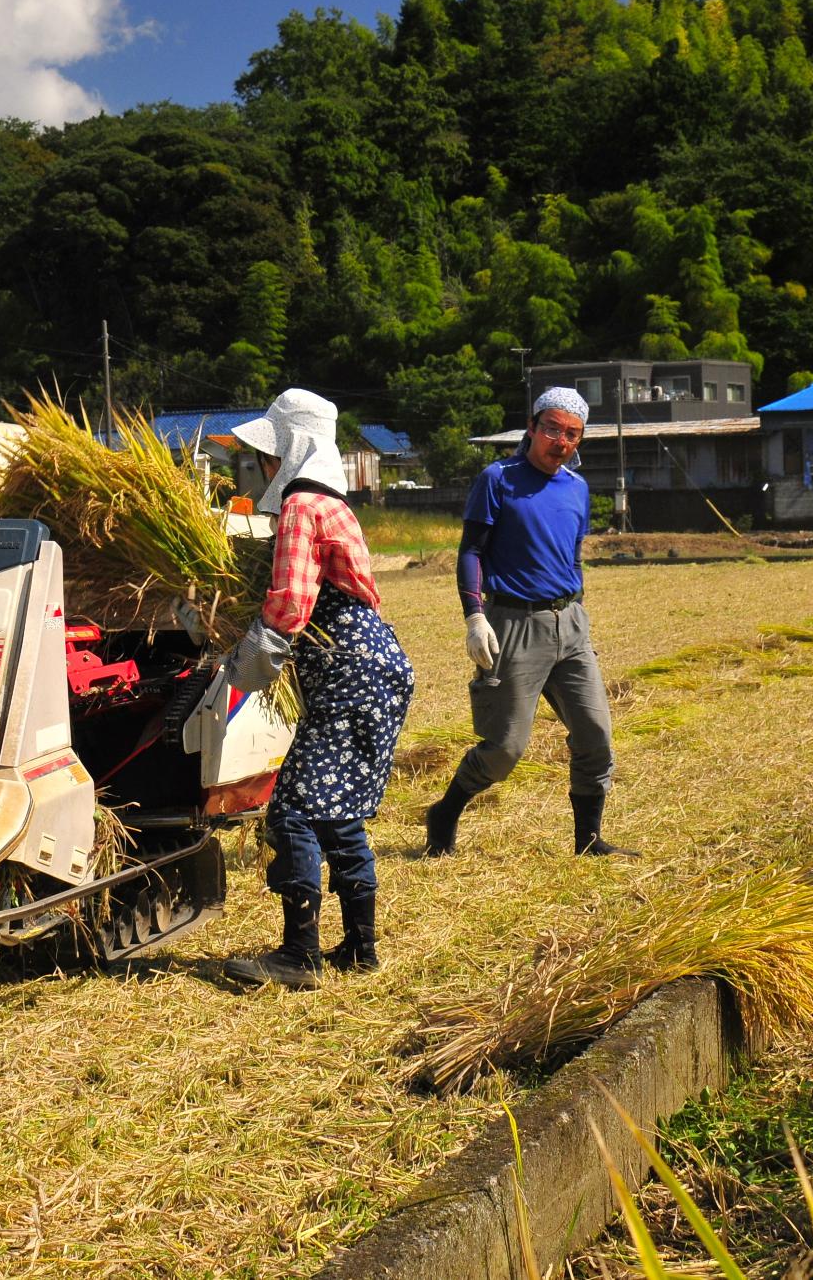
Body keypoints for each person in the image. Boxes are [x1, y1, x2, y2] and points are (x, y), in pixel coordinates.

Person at [221, 388, 415, 989]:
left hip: (348, 669)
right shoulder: (335, 505)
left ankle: (298, 955)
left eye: (269, 454)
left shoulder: (303, 506)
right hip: (377, 665)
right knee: (340, 814)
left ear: (291, 450)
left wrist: (252, 657)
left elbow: (291, 602)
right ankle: (360, 949)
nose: (264, 466)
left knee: (294, 807)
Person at [423, 386, 636, 859]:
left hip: (571, 623)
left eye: (572, 434)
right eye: (553, 429)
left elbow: (570, 556)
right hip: (513, 625)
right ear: (533, 427)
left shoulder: (577, 488)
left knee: (596, 735)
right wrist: (475, 615)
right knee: (504, 749)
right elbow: (472, 551)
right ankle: (445, 811)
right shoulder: (498, 479)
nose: (560, 441)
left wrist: (574, 609)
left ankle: (589, 839)